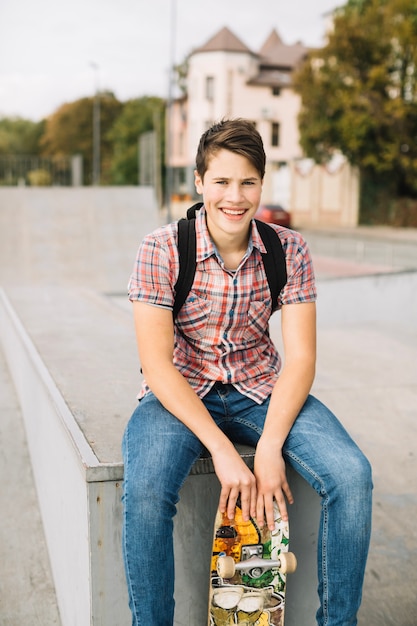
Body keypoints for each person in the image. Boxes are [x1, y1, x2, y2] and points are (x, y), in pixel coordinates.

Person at [122, 118, 372, 626]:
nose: (234, 197)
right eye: (221, 182)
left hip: (261, 388)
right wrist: (220, 449)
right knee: (146, 490)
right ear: (198, 182)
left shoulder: (288, 250)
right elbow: (156, 363)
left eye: (248, 182)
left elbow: (301, 359)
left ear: (261, 183)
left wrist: (268, 446)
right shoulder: (162, 248)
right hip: (182, 392)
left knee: (352, 475)